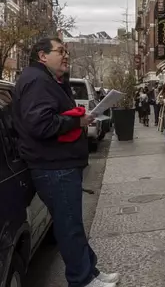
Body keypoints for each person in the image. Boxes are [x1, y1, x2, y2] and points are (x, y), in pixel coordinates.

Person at [12, 37, 120, 287]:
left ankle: (89, 271)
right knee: (69, 225)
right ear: (42, 56)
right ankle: (81, 280)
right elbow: (41, 124)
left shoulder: (48, 80)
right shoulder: (37, 81)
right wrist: (77, 121)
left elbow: (52, 117)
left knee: (72, 222)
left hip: (59, 164)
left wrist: (79, 118)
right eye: (60, 51)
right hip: (53, 166)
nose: (66, 56)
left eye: (66, 51)